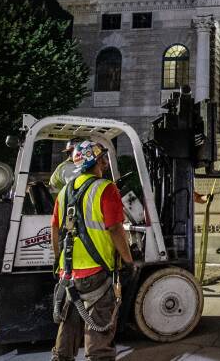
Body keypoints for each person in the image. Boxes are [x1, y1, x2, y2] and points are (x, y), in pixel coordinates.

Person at [51, 141, 134, 361]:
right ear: (96, 162)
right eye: (102, 158)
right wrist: (128, 260)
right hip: (97, 271)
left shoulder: (65, 191)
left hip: (68, 272)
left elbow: (55, 228)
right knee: (99, 327)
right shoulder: (105, 188)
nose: (105, 162)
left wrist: (59, 262)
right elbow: (115, 228)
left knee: (68, 324)